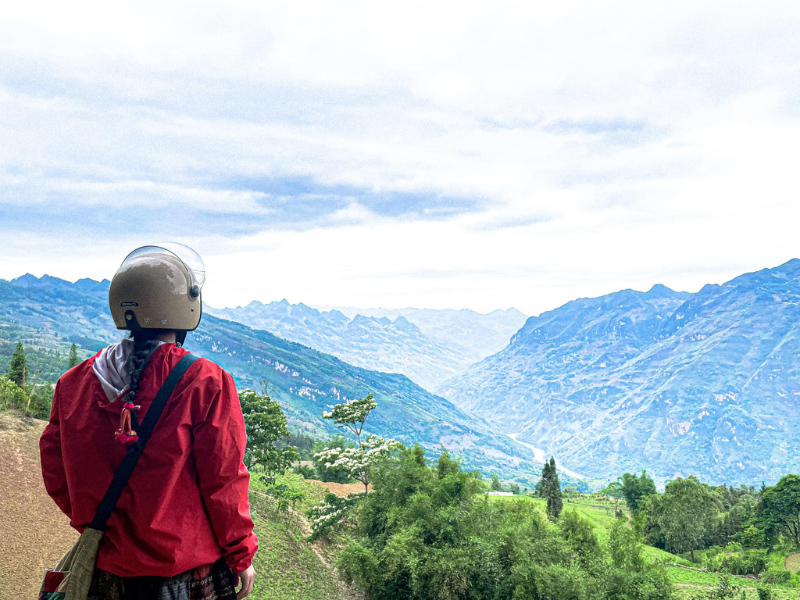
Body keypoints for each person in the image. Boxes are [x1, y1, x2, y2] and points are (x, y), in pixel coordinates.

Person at [40, 243, 257, 600]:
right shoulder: (205, 382)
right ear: (185, 308)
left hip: (106, 570)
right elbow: (225, 480)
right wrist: (241, 553)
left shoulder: (72, 383)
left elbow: (56, 472)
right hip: (183, 574)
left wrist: (102, 527)